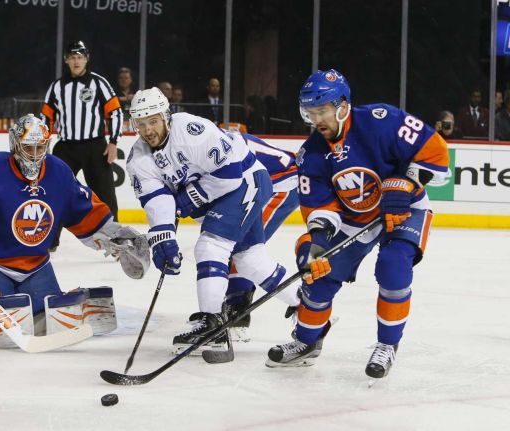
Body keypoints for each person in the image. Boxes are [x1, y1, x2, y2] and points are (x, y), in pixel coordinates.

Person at [265, 69, 449, 381]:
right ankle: (307, 342)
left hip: (404, 209)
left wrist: (406, 184)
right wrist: (319, 242)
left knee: (393, 266)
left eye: (322, 110)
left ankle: (387, 345)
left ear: (342, 106)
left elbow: (438, 157)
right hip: (353, 220)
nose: (316, 119)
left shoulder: (382, 120)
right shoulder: (311, 153)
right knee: (316, 275)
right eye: (310, 113)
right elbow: (319, 207)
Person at [125, 87, 300, 354]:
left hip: (244, 181)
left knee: (211, 246)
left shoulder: (191, 130)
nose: (148, 130)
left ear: (166, 116)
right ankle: (308, 306)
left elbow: (229, 175)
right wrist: (164, 237)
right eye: (141, 124)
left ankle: (212, 323)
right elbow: (157, 199)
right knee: (249, 259)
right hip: (221, 194)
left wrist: (186, 200)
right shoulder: (139, 158)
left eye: (153, 121)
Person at [0, 114, 144, 320]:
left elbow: (84, 211)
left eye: (41, 147)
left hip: (35, 267)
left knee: (49, 315)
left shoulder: (58, 172)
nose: (35, 154)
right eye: (29, 147)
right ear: (15, 145)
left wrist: (115, 236)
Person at [41, 41, 123, 251]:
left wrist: (113, 142)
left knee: (105, 195)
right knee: (54, 192)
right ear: (66, 60)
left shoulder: (98, 83)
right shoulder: (57, 87)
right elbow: (46, 118)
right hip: (66, 147)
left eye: (80, 57)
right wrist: (42, 145)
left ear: (86, 59)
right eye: (72, 57)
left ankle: (114, 240)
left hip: (95, 146)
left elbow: (115, 111)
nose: (76, 61)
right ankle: (50, 241)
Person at [224, 133, 300, 341]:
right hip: (268, 182)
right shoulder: (206, 137)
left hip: (280, 185)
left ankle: (308, 308)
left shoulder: (205, 145)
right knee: (235, 246)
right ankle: (236, 308)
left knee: (244, 249)